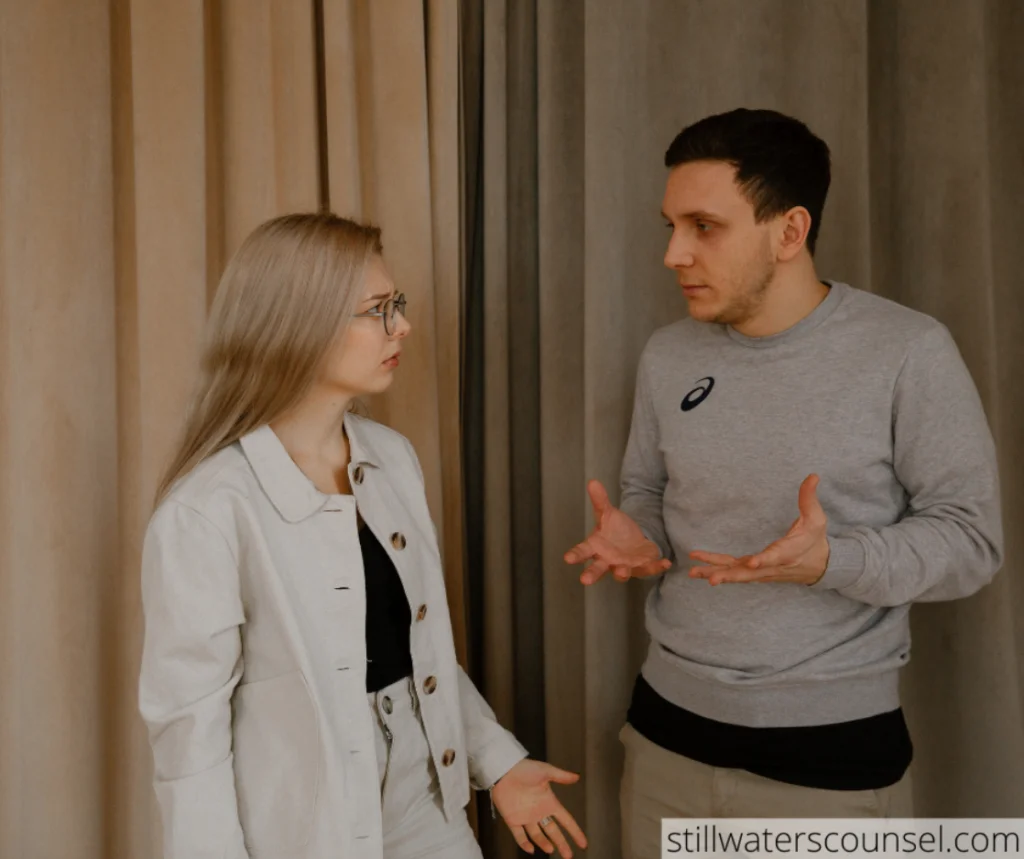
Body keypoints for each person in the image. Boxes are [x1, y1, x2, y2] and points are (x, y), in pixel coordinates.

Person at [563, 108, 1003, 857]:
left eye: (704, 226)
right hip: (665, 739)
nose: (674, 253)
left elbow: (972, 540)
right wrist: (640, 531)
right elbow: (648, 489)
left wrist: (835, 561)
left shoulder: (907, 350)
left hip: (823, 765)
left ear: (790, 231)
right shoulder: (668, 354)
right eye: (670, 225)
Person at [139, 213, 588, 859]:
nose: (401, 325)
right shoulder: (206, 512)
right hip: (301, 827)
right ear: (300, 324)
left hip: (428, 797)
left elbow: (422, 654)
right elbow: (189, 738)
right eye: (376, 309)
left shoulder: (391, 457)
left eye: (396, 304)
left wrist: (497, 761)